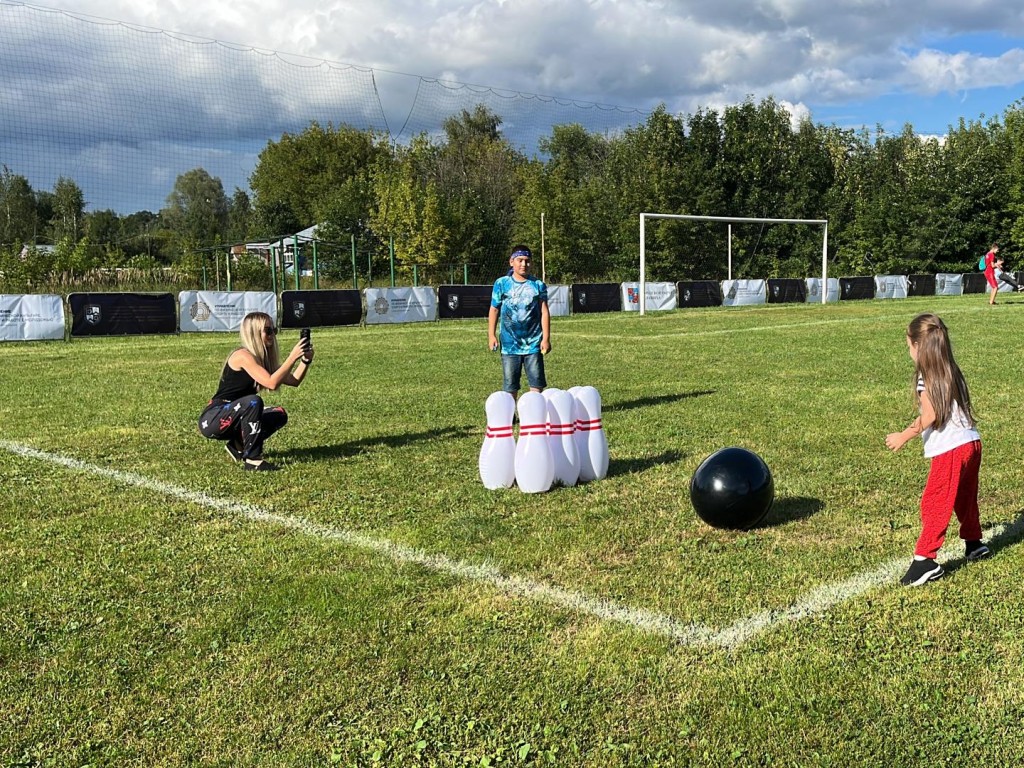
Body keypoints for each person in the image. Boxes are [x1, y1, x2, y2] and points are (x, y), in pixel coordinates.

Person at [885, 313, 990, 586]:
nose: (908, 351)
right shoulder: (951, 368)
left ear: (918, 347)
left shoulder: (926, 376)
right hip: (972, 443)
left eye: (908, 345)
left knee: (935, 501)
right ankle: (974, 542)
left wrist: (903, 435)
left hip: (951, 449)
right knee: (965, 497)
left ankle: (925, 561)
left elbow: (930, 414)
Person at [197, 311, 313, 471]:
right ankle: (252, 459)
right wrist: (292, 357)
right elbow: (271, 383)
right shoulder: (243, 356)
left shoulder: (263, 360)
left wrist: (306, 360)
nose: (273, 334)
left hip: (236, 413)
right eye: (268, 330)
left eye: (274, 330)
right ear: (254, 332)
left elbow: (294, 381)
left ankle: (238, 445)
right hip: (214, 418)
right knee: (253, 401)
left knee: (279, 414)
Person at [487, 245, 551, 398]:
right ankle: (510, 414)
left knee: (536, 382)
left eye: (527, 261)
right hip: (509, 345)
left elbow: (544, 312)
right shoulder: (501, 284)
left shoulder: (538, 285)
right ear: (511, 262)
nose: (524, 264)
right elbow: (494, 309)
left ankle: (534, 413)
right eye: (520, 260)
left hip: (533, 344)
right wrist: (491, 335)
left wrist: (546, 339)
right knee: (510, 384)